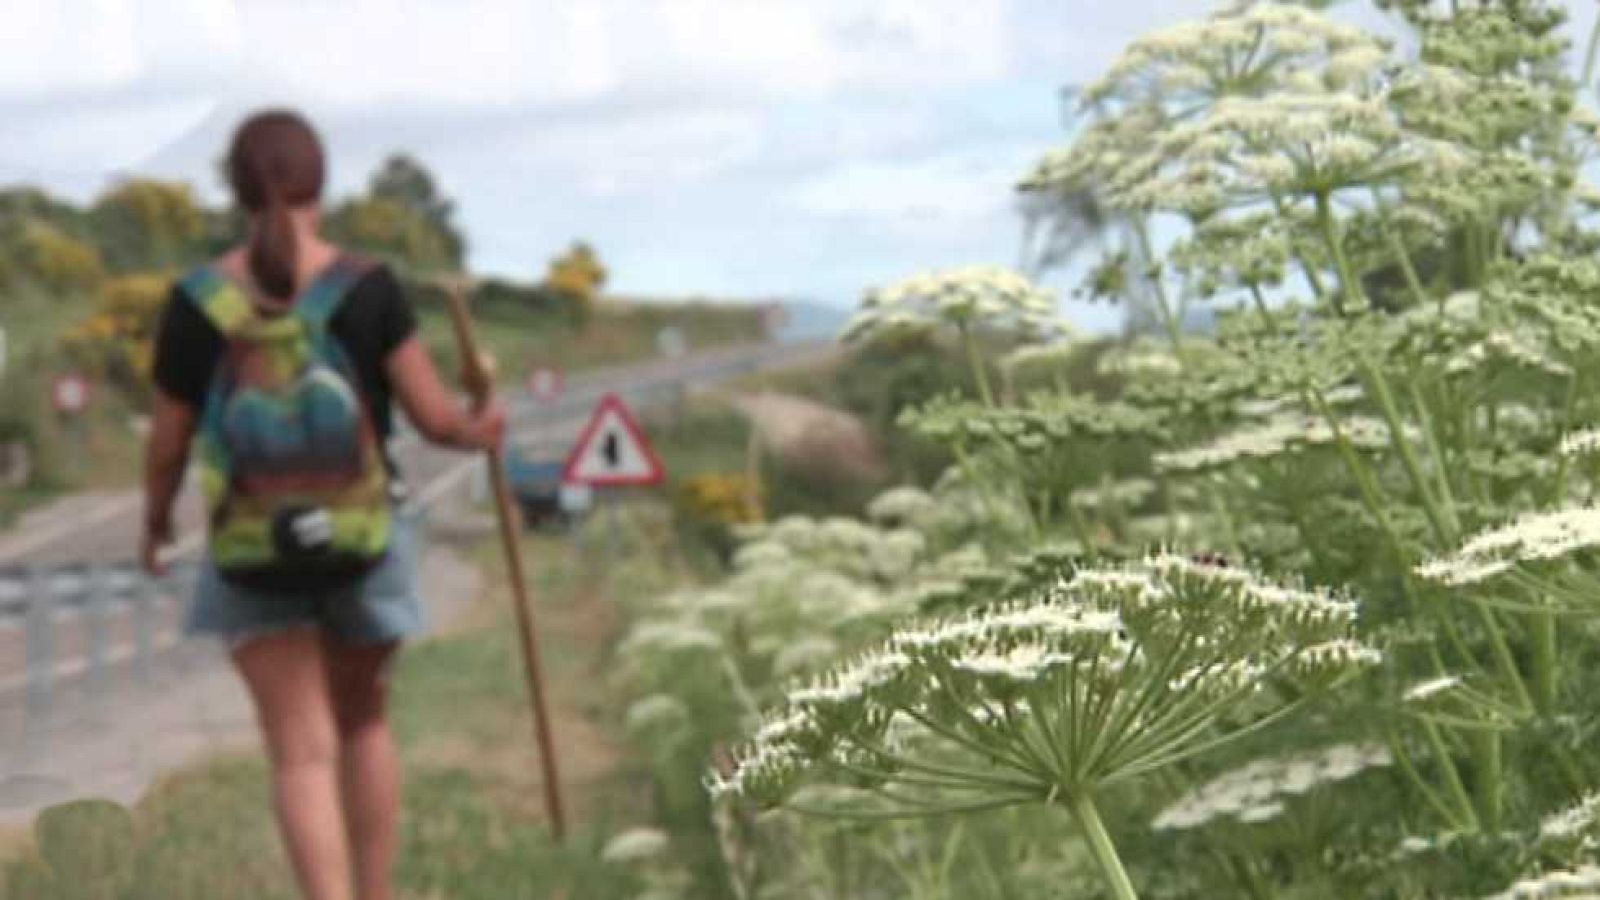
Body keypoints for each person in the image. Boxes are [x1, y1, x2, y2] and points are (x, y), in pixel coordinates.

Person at [140, 109, 505, 900]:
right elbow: (438, 422)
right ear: (322, 184)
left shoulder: (196, 302)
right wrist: (483, 427)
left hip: (250, 550)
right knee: (364, 723)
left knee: (300, 753)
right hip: (364, 543)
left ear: (236, 190)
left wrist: (156, 524)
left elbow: (167, 444)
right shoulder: (368, 288)